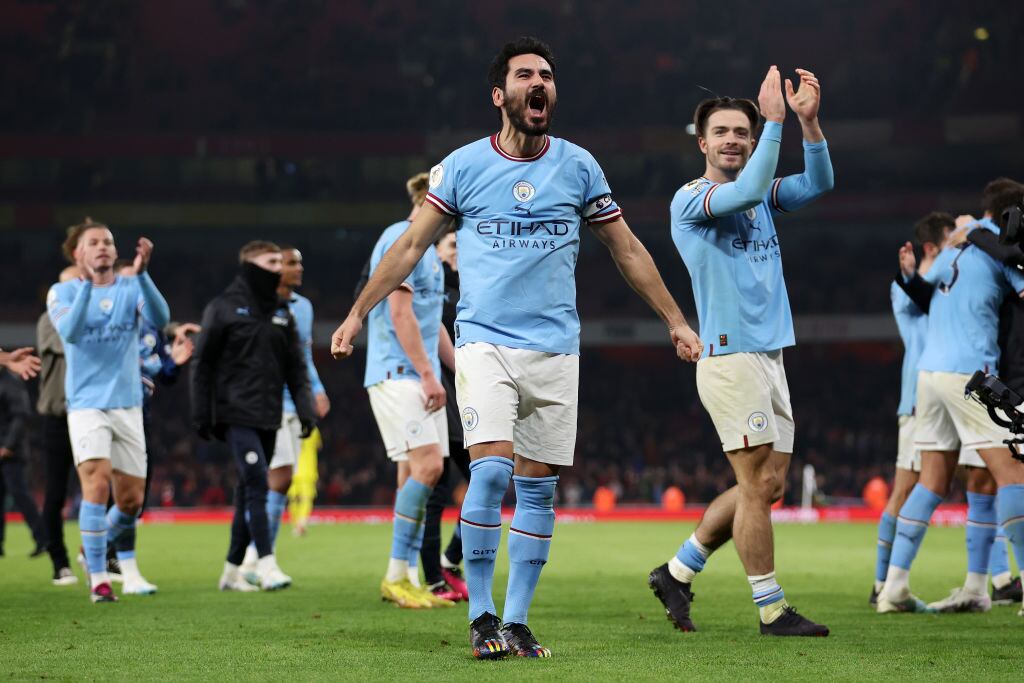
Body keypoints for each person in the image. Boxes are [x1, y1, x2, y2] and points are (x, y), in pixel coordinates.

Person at [331, 37, 702, 659]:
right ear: (499, 95)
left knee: (537, 488)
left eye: (548, 76)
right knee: (492, 468)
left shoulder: (580, 166)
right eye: (526, 74)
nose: (541, 83)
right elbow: (408, 248)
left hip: (556, 349)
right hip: (485, 343)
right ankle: (480, 617)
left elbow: (628, 249)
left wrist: (675, 320)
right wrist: (356, 313)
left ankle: (519, 620)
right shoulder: (463, 166)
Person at [650, 66, 834, 637]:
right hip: (729, 358)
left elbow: (819, 184)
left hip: (770, 355)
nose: (734, 138)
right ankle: (771, 608)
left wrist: (808, 122)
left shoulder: (758, 200)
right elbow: (752, 186)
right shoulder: (692, 198)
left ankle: (678, 571)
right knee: (756, 485)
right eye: (723, 132)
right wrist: (773, 121)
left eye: (743, 132)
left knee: (769, 486)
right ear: (702, 143)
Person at [878, 191, 1024, 617]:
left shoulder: (951, 249)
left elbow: (926, 296)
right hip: (971, 373)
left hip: (930, 376)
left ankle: (895, 588)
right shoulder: (998, 245)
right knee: (1013, 473)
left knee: (933, 481)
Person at [47, 218, 170, 603]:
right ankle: (99, 579)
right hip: (86, 405)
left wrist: (144, 275)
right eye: (94, 243)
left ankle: (91, 546)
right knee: (96, 485)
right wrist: (87, 286)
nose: (102, 247)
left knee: (131, 500)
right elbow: (70, 332)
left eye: (108, 242)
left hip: (128, 403)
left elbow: (161, 320)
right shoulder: (62, 292)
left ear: (116, 253)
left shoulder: (132, 286)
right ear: (78, 253)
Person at [190, 241, 316, 592]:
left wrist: (305, 409)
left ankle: (231, 572)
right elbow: (203, 363)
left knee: (248, 488)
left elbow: (295, 367)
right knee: (259, 481)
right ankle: (266, 563)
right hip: (233, 413)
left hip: (269, 413)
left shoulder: (282, 311)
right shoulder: (224, 307)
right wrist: (202, 413)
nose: (279, 267)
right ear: (251, 266)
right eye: (271, 261)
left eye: (280, 261)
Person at [362, 172, 456, 610]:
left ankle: (409, 577)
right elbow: (399, 314)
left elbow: (429, 320)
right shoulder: (400, 238)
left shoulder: (432, 255)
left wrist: (457, 370)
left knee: (420, 473)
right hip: (397, 371)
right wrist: (427, 373)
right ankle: (395, 574)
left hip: (417, 375)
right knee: (429, 466)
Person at [870, 214, 950, 605]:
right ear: (933, 247)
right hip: (920, 400)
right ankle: (881, 582)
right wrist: (913, 274)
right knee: (904, 489)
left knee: (988, 478)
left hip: (955, 394)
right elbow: (919, 300)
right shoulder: (904, 289)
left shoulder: (952, 283)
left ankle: (999, 578)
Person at [238, 245, 329, 582]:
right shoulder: (254, 303)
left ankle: (256, 558)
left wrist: (316, 389)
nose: (298, 268)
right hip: (263, 403)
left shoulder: (303, 307)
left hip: (293, 402)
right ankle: (255, 558)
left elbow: (301, 356)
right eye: (291, 263)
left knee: (280, 479)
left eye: (298, 262)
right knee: (274, 479)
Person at [420, 230, 472, 602]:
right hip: (440, 391)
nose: (458, 251)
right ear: (435, 250)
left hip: (467, 392)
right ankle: (432, 575)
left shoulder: (469, 284)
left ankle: (449, 560)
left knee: (485, 478)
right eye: (452, 244)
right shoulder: (430, 285)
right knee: (436, 487)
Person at [38, 266, 82, 586]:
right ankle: (59, 562)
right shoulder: (47, 321)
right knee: (56, 494)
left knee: (106, 488)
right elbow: (73, 340)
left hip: (91, 412)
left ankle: (95, 550)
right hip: (58, 417)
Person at [0, 367, 48, 557]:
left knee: (21, 495)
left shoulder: (11, 382)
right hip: (5, 448)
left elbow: (20, 416)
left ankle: (42, 539)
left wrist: (8, 446)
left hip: (12, 453)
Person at [287, 426, 321, 537]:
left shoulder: (289, 428)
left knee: (293, 499)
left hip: (292, 469)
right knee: (306, 498)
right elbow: (318, 445)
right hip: (307, 470)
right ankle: (301, 523)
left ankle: (296, 525)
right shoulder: (313, 429)